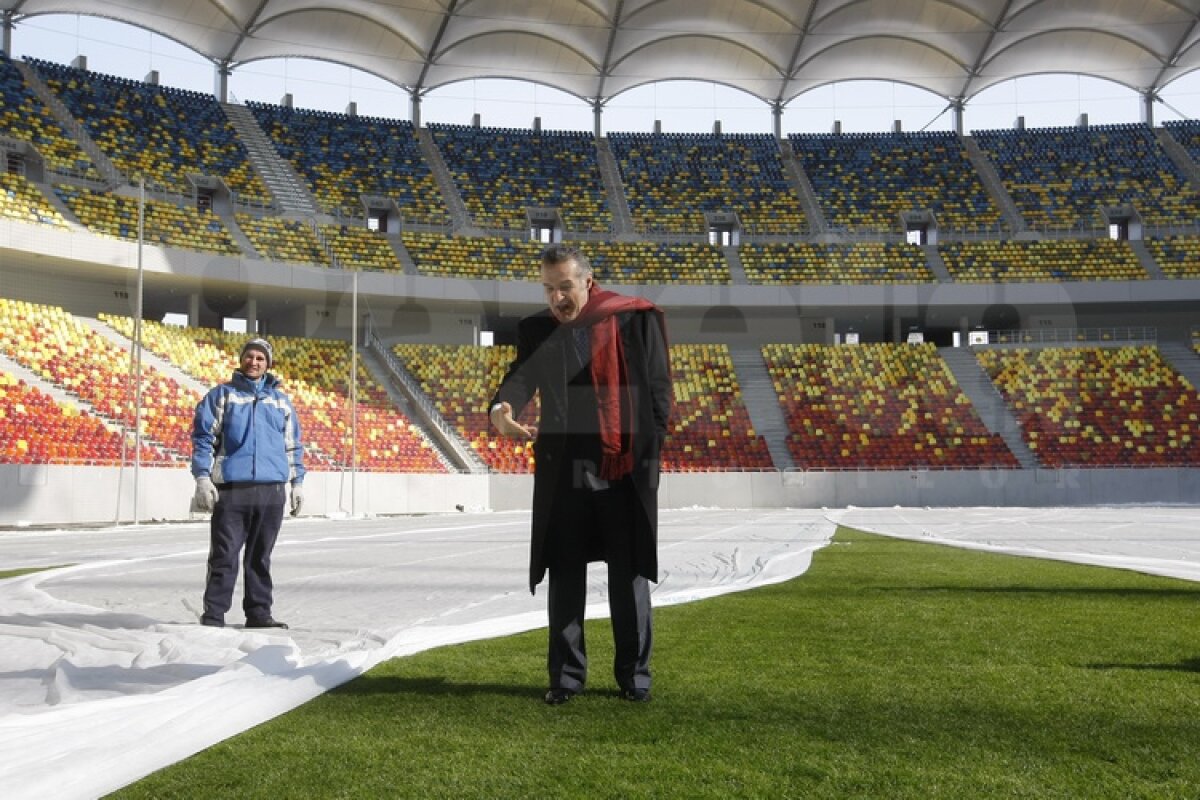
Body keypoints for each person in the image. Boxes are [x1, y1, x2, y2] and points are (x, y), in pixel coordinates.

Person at [490, 244, 672, 704]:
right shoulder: (536, 329)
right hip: (564, 466)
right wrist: (502, 406)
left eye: (564, 287)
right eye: (549, 289)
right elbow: (520, 378)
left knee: (627, 573)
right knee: (565, 571)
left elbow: (658, 390)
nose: (557, 298)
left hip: (623, 465)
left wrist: (649, 454)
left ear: (587, 282)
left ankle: (635, 677)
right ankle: (566, 677)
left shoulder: (634, 318)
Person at [191, 337, 305, 629]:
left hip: (271, 491)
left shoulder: (281, 401)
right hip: (232, 490)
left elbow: (293, 445)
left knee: (260, 557)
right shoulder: (222, 395)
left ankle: (258, 614)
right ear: (241, 360)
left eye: (260, 358)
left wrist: (297, 483)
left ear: (268, 364)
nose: (253, 362)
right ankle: (214, 615)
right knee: (224, 556)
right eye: (249, 356)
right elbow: (204, 439)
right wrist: (203, 478)